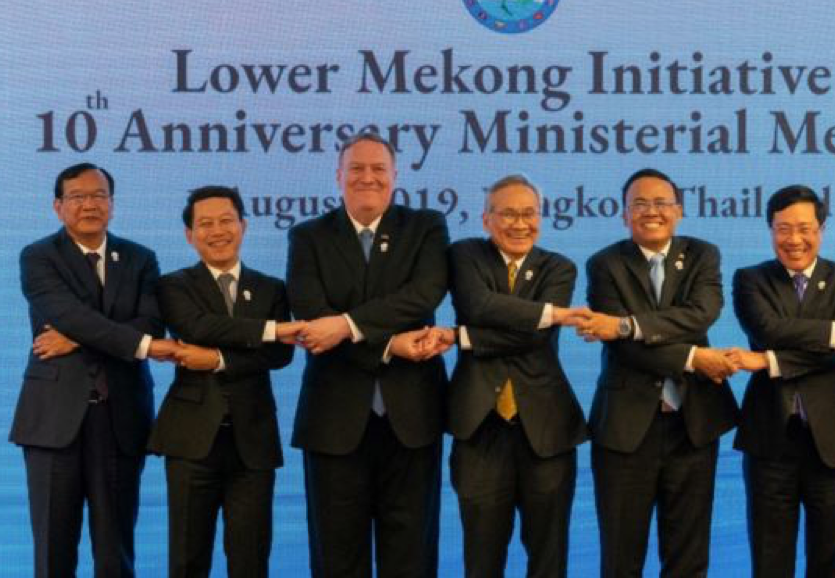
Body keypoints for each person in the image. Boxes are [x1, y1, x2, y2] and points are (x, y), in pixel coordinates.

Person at [286, 132, 450, 577]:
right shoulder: (308, 236)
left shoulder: (426, 227)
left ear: (395, 176)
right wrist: (390, 344)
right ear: (339, 175)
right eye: (356, 168)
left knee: (412, 558)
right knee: (337, 559)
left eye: (379, 168)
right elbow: (311, 315)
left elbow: (422, 296)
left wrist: (345, 325)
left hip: (412, 418)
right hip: (333, 419)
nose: (368, 177)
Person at [10, 163, 174, 577]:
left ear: (112, 204)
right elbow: (67, 314)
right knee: (53, 549)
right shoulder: (38, 256)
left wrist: (77, 338)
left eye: (99, 196)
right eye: (78, 197)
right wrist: (113, 335)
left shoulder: (140, 259)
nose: (90, 205)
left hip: (120, 418)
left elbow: (152, 324)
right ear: (58, 206)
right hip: (54, 420)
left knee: (115, 550)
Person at [575, 168, 740, 577]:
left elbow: (701, 314)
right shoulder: (604, 265)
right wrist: (693, 358)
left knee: (688, 556)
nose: (652, 212)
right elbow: (625, 348)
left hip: (693, 425)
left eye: (661, 203)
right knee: (621, 556)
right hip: (625, 429)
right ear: (624, 214)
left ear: (678, 211)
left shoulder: (703, 255)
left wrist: (628, 325)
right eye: (640, 204)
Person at [426, 174, 588, 577]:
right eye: (509, 214)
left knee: (548, 557)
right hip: (479, 429)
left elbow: (534, 336)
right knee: (481, 557)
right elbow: (478, 304)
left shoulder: (559, 267)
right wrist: (551, 314)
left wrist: (461, 337)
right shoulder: (465, 254)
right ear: (487, 220)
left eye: (529, 214)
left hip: (547, 432)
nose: (520, 224)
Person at [148, 186, 304, 577]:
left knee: (251, 559)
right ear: (190, 235)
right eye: (205, 224)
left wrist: (217, 359)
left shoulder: (272, 288)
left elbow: (280, 355)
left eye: (226, 221)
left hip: (254, 440)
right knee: (187, 559)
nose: (217, 231)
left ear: (243, 226)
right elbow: (197, 327)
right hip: (191, 440)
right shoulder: (174, 285)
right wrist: (270, 329)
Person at [729, 184, 835, 578]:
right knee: (770, 553)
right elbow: (767, 330)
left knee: (831, 553)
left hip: (833, 438)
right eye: (783, 229)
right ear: (770, 229)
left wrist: (768, 361)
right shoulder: (750, 279)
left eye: (804, 228)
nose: (794, 240)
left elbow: (830, 356)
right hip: (770, 437)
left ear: (821, 229)